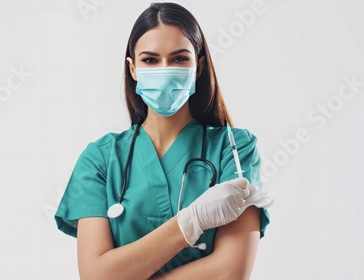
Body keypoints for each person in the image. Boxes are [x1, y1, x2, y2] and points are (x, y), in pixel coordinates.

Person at [55, 3, 273, 279]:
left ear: (199, 66)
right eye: (150, 60)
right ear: (133, 69)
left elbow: (230, 273)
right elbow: (95, 275)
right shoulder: (100, 159)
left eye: (180, 59)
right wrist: (191, 221)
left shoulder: (234, 148)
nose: (165, 69)